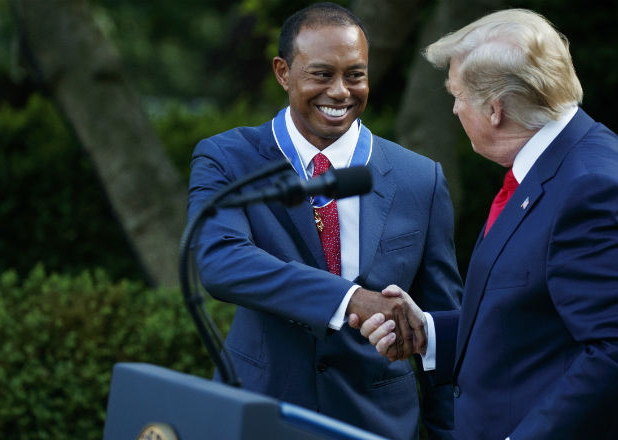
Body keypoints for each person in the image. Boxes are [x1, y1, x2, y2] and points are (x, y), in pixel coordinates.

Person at [353, 8, 618, 440]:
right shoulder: (553, 166)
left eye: (456, 94)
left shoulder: (591, 188)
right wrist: (431, 333)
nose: (455, 108)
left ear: (495, 109)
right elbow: (537, 323)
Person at [187, 3, 462, 439]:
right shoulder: (228, 158)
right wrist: (351, 300)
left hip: (376, 421)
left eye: (355, 75)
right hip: (259, 412)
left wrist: (452, 433)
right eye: (321, 74)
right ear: (283, 72)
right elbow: (222, 263)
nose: (340, 91)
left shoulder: (419, 178)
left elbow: (441, 319)